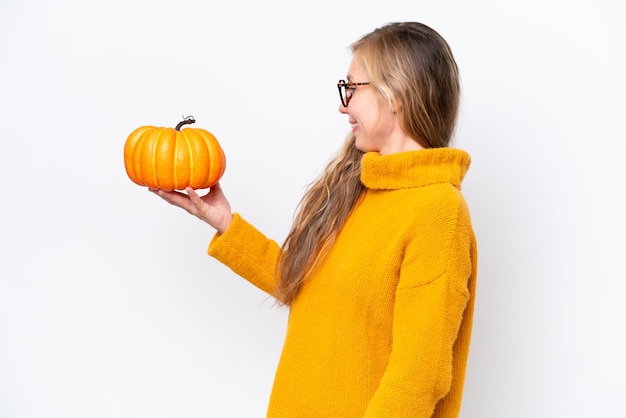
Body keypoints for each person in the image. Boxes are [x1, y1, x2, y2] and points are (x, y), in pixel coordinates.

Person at [151, 21, 477, 418]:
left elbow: (417, 379)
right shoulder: (360, 190)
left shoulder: (437, 212)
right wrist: (223, 222)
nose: (343, 105)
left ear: (397, 95)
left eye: (352, 88)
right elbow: (307, 288)